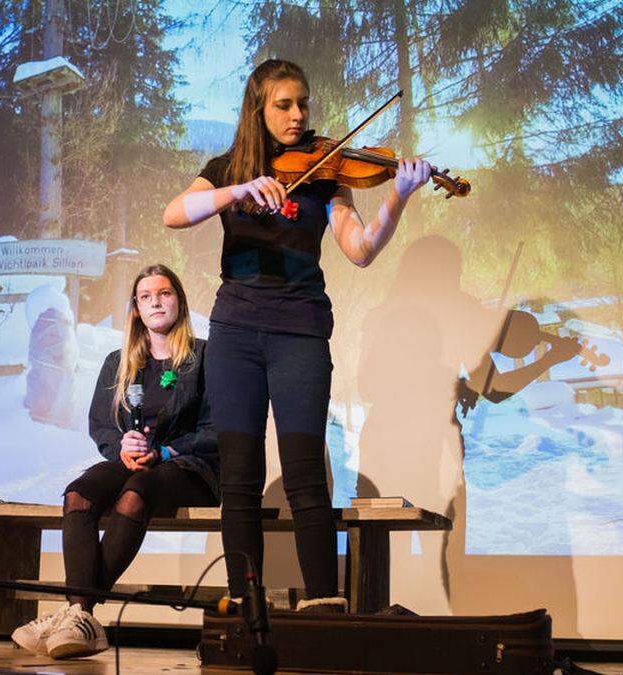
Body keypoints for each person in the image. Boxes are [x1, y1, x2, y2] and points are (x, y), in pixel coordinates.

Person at [162, 59, 435, 612]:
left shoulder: (328, 171)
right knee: (239, 475)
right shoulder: (225, 169)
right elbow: (174, 213)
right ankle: (244, 605)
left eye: (303, 103)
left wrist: (398, 197)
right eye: (284, 104)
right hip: (236, 331)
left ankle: (321, 605)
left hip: (300, 331)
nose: (298, 115)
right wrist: (234, 190)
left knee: (306, 473)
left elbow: (359, 250)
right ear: (258, 110)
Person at [11, 264, 218, 658]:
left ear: (180, 300)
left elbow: (216, 428)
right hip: (133, 463)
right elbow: (100, 424)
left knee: (136, 492)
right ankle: (81, 615)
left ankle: (77, 613)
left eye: (164, 293)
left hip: (190, 466)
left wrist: (167, 451)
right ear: (136, 309)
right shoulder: (118, 362)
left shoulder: (205, 356)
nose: (156, 301)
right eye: (146, 296)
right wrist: (121, 447)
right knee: (78, 493)